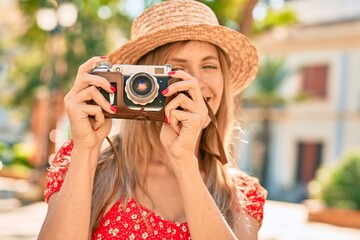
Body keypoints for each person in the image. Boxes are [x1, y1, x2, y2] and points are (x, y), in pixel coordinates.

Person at [38, 0, 267, 239]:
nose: (196, 83)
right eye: (178, 68)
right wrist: (85, 151)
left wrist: (184, 161)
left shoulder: (242, 193)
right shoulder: (85, 162)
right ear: (140, 81)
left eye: (209, 65)